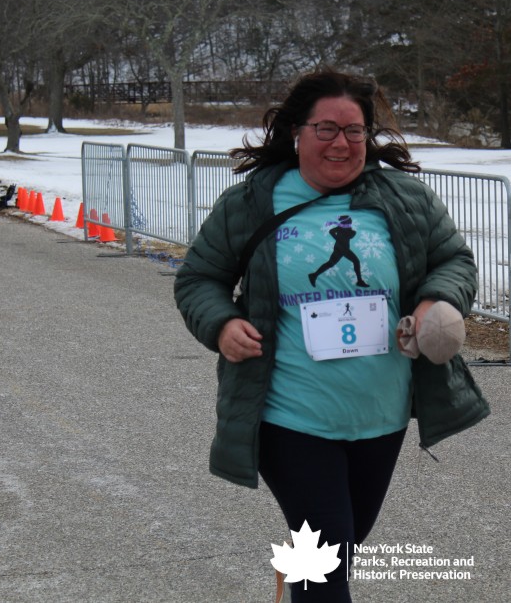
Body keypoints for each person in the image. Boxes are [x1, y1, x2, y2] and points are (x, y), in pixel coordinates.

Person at [174, 68, 489, 602]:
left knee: (335, 552)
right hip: (290, 413)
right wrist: (222, 324)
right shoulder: (251, 203)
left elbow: (453, 260)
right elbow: (199, 278)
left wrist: (435, 300)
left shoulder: (405, 199)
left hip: (380, 414)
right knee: (326, 565)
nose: (341, 143)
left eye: (354, 130)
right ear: (297, 132)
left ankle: (297, 577)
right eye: (326, 129)